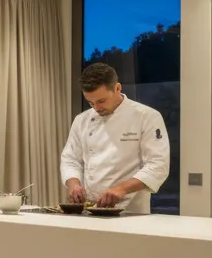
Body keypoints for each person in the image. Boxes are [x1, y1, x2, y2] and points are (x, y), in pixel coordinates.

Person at [61, 63, 170, 213]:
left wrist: (120, 189)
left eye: (101, 101)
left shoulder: (146, 116)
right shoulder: (82, 120)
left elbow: (158, 165)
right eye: (90, 102)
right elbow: (71, 159)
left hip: (131, 210)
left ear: (117, 88)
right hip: (90, 209)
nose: (96, 108)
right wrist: (73, 184)